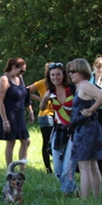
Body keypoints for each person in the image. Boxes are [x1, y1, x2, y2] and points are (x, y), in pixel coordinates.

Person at [66, 58, 102, 199]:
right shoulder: (82, 86)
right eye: (69, 71)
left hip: (85, 129)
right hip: (90, 128)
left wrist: (90, 110)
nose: (70, 74)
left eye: (73, 71)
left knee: (85, 167)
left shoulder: (84, 85)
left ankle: (85, 199)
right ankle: (96, 198)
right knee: (93, 165)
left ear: (82, 71)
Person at [39, 63, 78, 196]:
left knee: (68, 166)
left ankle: (68, 194)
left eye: (58, 74)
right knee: (57, 168)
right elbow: (42, 108)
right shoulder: (51, 92)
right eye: (53, 75)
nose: (56, 77)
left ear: (63, 75)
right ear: (49, 77)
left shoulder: (72, 89)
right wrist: (44, 98)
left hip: (73, 132)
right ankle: (72, 189)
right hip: (58, 132)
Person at [0, 58, 33, 170]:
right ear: (13, 67)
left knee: (26, 141)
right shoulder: (4, 79)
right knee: (11, 143)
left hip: (19, 115)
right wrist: (5, 121)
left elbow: (25, 95)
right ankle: (10, 170)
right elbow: (0, 101)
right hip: (9, 115)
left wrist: (30, 110)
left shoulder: (20, 78)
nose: (22, 73)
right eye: (21, 70)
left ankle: (22, 169)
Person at [27, 63, 55, 174]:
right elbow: (25, 91)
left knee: (57, 141)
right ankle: (48, 169)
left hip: (59, 114)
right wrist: (39, 98)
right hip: (45, 114)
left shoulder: (60, 83)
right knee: (47, 142)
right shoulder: (42, 83)